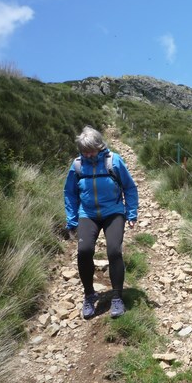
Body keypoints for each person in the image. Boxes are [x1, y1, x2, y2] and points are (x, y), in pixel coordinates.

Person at [63, 126, 138, 319]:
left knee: (114, 251)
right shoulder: (78, 165)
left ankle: (117, 297)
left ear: (99, 146)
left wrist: (131, 213)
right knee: (84, 251)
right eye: (83, 151)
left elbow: (129, 187)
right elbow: (70, 193)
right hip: (87, 213)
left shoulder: (113, 161)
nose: (87, 154)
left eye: (90, 150)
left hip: (113, 211)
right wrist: (72, 219)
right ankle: (89, 295)